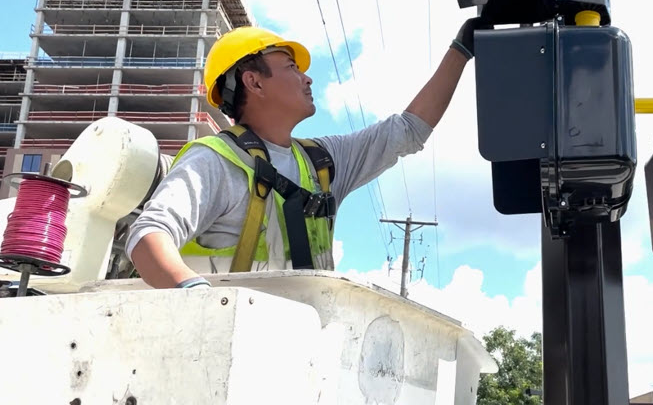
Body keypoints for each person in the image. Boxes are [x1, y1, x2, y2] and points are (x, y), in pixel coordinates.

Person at [126, 18, 485, 289]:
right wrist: (198, 298)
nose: (307, 78)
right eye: (291, 67)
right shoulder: (214, 162)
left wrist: (462, 47)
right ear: (254, 82)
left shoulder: (322, 163)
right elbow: (148, 236)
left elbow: (408, 130)